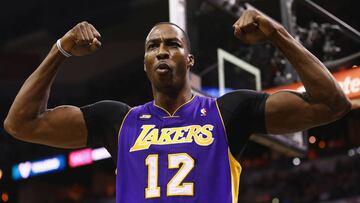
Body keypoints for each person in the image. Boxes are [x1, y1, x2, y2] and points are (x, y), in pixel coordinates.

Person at [4, 9, 351, 203]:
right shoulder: (119, 120)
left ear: (189, 59)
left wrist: (278, 34)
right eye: (153, 46)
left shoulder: (228, 112)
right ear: (144, 63)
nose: (162, 51)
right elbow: (21, 123)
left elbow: (331, 104)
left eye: (172, 44)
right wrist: (59, 50)